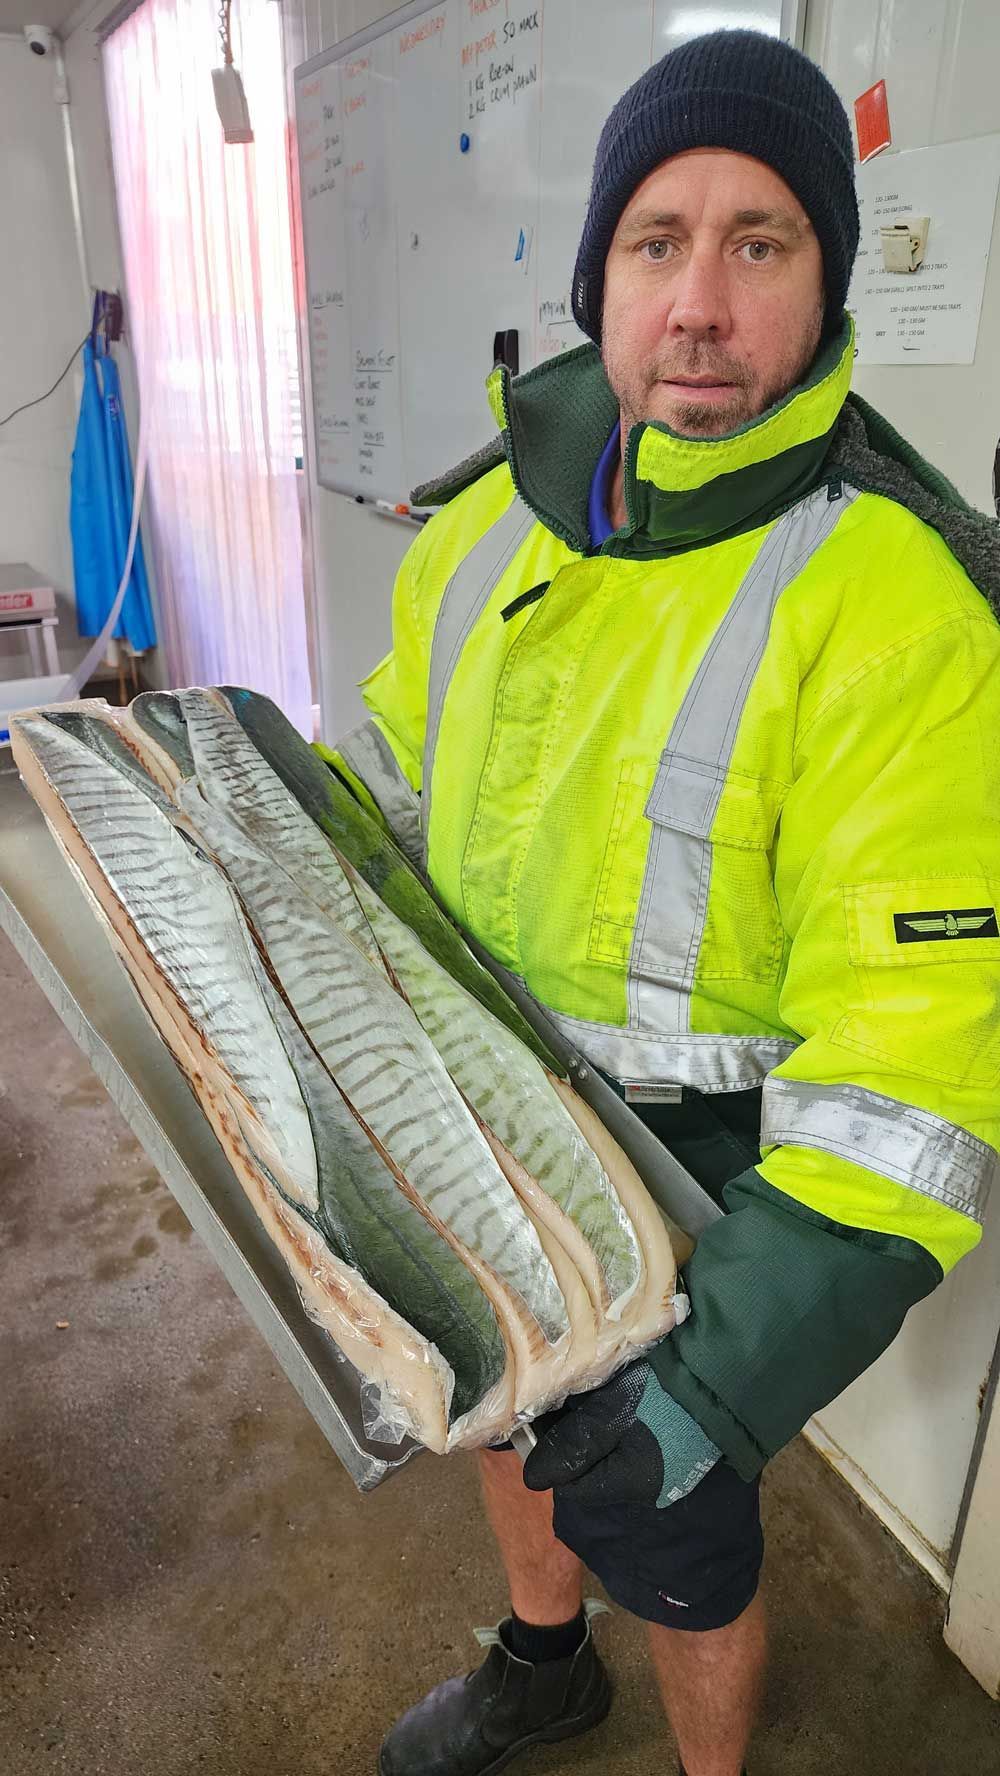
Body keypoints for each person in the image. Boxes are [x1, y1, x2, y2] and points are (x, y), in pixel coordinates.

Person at [327, 30, 1000, 1776]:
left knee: (679, 1536)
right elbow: (388, 794)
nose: (699, 304)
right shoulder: (484, 528)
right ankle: (543, 1665)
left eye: (759, 243)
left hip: (707, 1187)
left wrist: (717, 1379)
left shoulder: (903, 608)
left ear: (824, 285)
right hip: (482, 1111)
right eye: (657, 241)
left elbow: (916, 1066)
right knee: (507, 1420)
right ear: (598, 280)